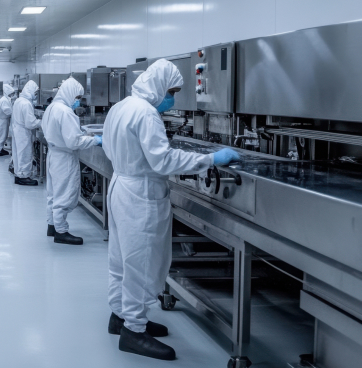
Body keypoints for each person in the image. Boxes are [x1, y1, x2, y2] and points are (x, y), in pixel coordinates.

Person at [102, 59, 241, 361]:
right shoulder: (147, 114)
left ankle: (120, 316)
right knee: (143, 261)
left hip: (120, 186)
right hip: (141, 194)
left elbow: (110, 149)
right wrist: (211, 159)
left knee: (121, 258)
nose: (172, 98)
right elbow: (163, 161)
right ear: (160, 86)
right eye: (172, 91)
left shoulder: (122, 106)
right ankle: (134, 332)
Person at [42, 77, 101, 245]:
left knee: (53, 194)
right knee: (64, 194)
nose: (78, 101)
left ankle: (52, 225)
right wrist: (96, 140)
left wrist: (78, 131)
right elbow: (74, 142)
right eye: (77, 98)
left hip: (54, 154)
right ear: (69, 94)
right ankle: (61, 232)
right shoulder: (66, 112)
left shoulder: (53, 107)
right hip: (65, 158)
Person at [11, 80, 42, 186]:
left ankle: (19, 173)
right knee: (25, 153)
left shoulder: (19, 100)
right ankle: (23, 176)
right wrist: (42, 123)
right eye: (35, 92)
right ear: (30, 91)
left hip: (17, 130)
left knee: (18, 153)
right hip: (23, 131)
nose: (36, 95)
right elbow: (30, 123)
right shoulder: (26, 103)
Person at [0, 84, 17, 157]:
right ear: (8, 92)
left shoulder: (5, 99)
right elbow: (7, 111)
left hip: (3, 120)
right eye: (11, 93)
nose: (12, 95)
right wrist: (15, 113)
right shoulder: (4, 100)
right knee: (0, 135)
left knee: (2, 135)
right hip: (2, 121)